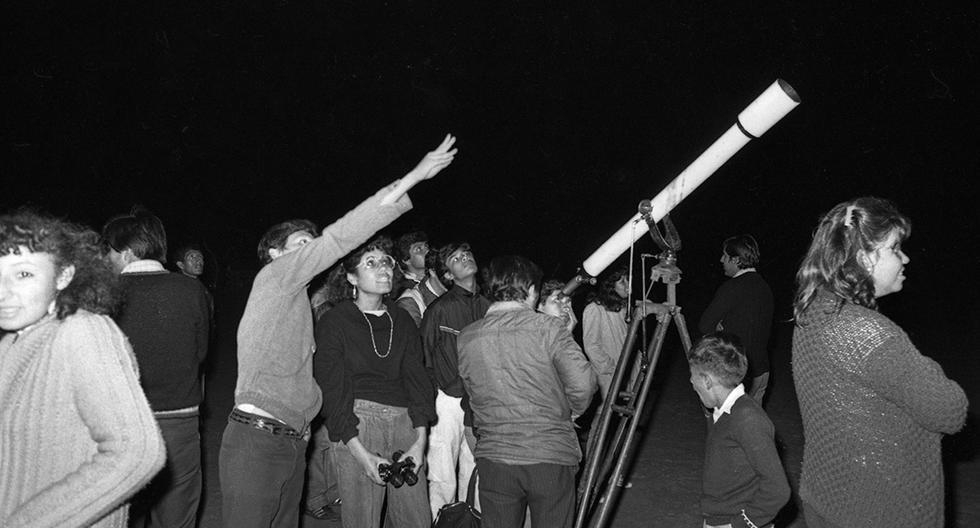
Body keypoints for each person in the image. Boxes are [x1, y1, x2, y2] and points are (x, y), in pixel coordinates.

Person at [219, 134, 457, 528]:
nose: (310, 249)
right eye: (300, 244)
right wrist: (413, 178)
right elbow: (338, 238)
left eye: (311, 244)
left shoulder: (298, 308)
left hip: (293, 442)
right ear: (275, 255)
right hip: (257, 441)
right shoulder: (274, 278)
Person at [791, 197, 967, 528]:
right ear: (865, 258)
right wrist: (929, 367)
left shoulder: (814, 311)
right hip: (879, 511)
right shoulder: (867, 332)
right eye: (895, 248)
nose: (905, 258)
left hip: (828, 499)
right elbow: (950, 410)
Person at [0, 211, 165, 527]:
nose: (2, 291)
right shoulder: (11, 343)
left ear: (63, 277)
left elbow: (138, 453)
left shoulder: (83, 332)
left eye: (23, 274)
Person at [458, 255, 597, 528]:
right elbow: (584, 384)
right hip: (548, 455)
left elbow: (473, 393)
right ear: (532, 290)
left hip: (495, 458)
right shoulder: (549, 328)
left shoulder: (467, 336)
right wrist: (569, 414)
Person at [315, 237, 436, 528]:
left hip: (405, 423)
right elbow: (333, 391)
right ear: (351, 276)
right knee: (363, 520)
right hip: (357, 425)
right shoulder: (335, 321)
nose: (383, 269)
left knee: (416, 520)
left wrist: (419, 443)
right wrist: (360, 454)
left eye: (387, 262)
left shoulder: (402, 320)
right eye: (371, 263)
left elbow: (418, 381)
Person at [102, 208, 211, 528]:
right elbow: (201, 353)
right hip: (181, 419)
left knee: (123, 513)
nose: (106, 259)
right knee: (176, 514)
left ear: (126, 253)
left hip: (124, 422)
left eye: (108, 251)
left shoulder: (106, 295)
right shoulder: (193, 290)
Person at [688, 332, 789, 528]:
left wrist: (741, 524)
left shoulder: (747, 419)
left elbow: (778, 489)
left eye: (693, 376)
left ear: (707, 381)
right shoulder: (723, 411)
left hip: (733, 521)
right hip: (719, 517)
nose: (691, 383)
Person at [420, 242, 491, 518]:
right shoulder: (439, 309)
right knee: (442, 472)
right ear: (448, 275)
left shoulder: (490, 305)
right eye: (456, 259)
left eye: (467, 254)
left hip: (481, 399)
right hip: (448, 401)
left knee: (476, 469)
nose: (465, 259)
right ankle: (441, 520)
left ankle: (470, 521)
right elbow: (423, 356)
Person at [698, 235, 774, 404]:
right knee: (754, 425)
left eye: (725, 256)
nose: (721, 260)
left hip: (737, 371)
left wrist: (720, 329)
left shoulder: (732, 287)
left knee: (733, 426)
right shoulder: (764, 287)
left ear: (736, 260)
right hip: (761, 369)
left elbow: (705, 325)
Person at [582, 265, 629, 399]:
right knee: (605, 416)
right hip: (608, 377)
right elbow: (591, 346)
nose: (627, 285)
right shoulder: (595, 309)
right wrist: (612, 367)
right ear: (611, 286)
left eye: (628, 279)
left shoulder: (624, 307)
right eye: (622, 282)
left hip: (627, 374)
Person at [394, 231, 447, 326]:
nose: (427, 250)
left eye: (426, 246)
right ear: (406, 260)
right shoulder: (402, 291)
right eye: (418, 249)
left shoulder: (440, 278)